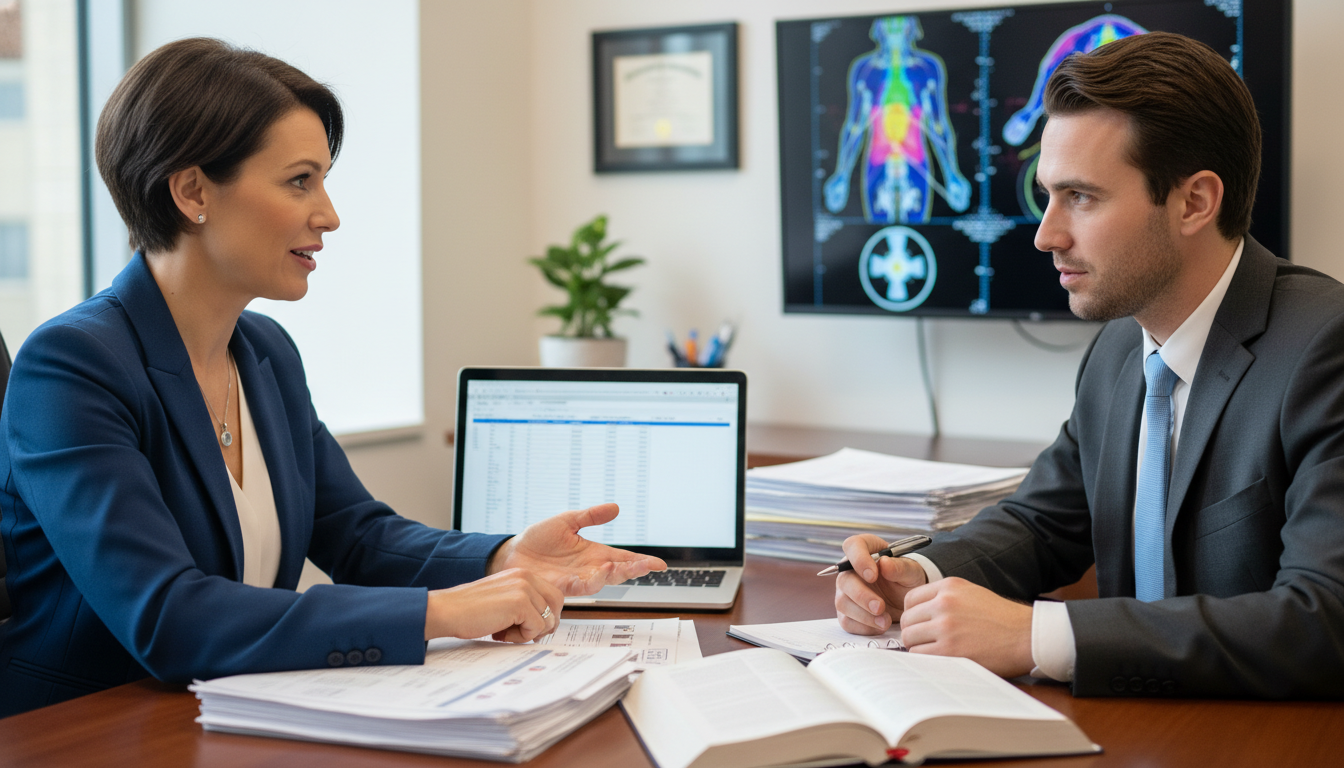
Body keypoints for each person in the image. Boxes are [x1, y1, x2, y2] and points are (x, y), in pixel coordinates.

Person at [0, 38, 665, 718]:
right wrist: (437, 613)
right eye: (299, 181)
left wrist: (502, 557)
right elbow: (168, 616)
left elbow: (357, 535)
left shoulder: (264, 352)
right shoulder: (72, 366)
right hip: (85, 728)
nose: (330, 214)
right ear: (193, 191)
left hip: (225, 713)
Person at [835, 32, 1344, 698]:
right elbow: (1043, 522)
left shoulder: (1324, 348)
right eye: (1048, 195)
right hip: (1138, 727)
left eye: (1082, 197)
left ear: (1194, 202)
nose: (1047, 234)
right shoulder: (1118, 350)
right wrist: (921, 576)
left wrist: (1036, 636)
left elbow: (1323, 620)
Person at [824, 16, 971, 224]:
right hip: (878, 160)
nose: (895, 27)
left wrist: (952, 175)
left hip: (914, 158)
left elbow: (938, 124)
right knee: (878, 232)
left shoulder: (928, 67)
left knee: (918, 231)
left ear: (912, 27)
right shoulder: (864, 69)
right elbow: (855, 126)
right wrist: (841, 175)